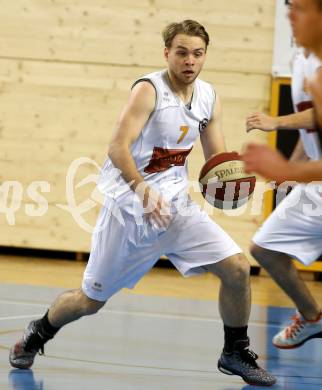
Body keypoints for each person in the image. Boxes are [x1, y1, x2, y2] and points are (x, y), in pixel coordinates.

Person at [9, 20, 276, 386]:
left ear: (204, 57)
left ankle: (235, 351)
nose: (189, 61)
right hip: (129, 211)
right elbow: (117, 147)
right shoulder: (149, 91)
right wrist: (141, 189)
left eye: (197, 54)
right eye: (181, 52)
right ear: (167, 53)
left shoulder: (209, 98)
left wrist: (236, 178)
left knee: (238, 269)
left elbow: (217, 160)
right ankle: (39, 331)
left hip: (176, 209)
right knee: (90, 301)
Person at [246, 47, 322, 350]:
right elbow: (311, 131)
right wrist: (288, 173)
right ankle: (312, 316)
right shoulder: (300, 59)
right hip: (315, 182)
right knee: (264, 248)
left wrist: (275, 122)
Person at [243, 0, 322, 182]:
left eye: (300, 9)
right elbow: (315, 127)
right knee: (282, 212)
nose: (290, 15)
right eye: (290, 7)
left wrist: (275, 122)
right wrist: (291, 168)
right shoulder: (301, 60)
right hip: (316, 169)